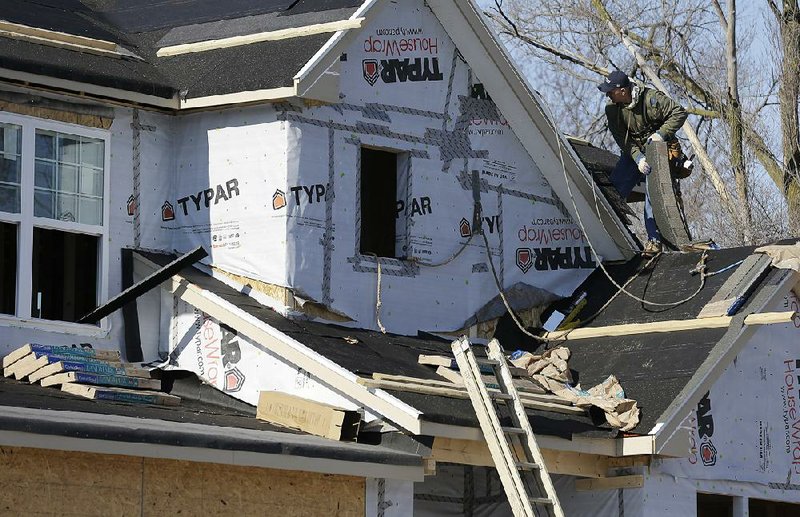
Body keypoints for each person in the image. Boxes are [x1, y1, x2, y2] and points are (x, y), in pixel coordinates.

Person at [598, 70, 690, 255]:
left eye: (611, 91)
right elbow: (623, 140)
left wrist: (660, 134)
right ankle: (611, 230)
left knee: (653, 195)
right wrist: (638, 158)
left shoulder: (651, 99)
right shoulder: (612, 110)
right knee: (614, 190)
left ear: (623, 91)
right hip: (635, 152)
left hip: (658, 150)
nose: (607, 94)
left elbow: (679, 112)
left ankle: (654, 242)